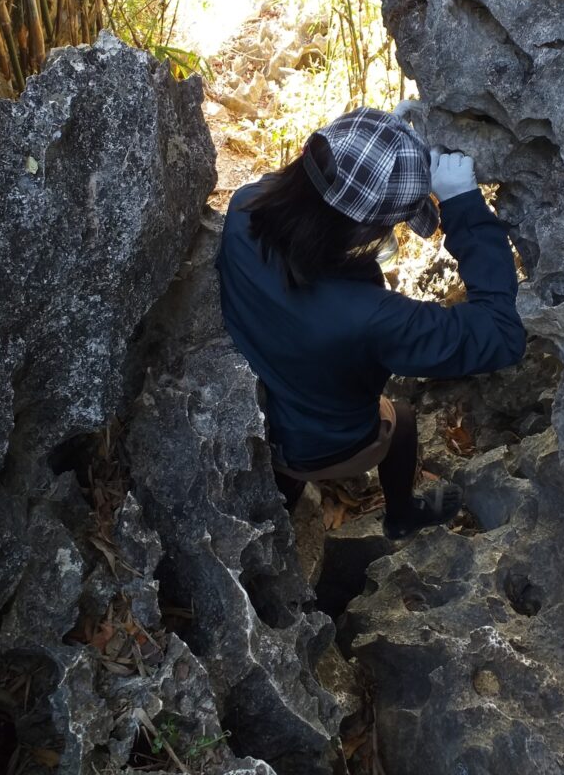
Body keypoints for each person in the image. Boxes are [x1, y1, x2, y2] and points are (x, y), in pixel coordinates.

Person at [216, 106, 525, 539]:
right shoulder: (372, 317)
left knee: (295, 452)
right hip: (321, 445)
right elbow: (502, 335)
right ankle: (400, 515)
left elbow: (316, 181)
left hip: (262, 410)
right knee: (401, 418)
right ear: (364, 234)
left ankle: (280, 505)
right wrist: (463, 207)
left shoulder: (245, 206)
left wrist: (385, 137)